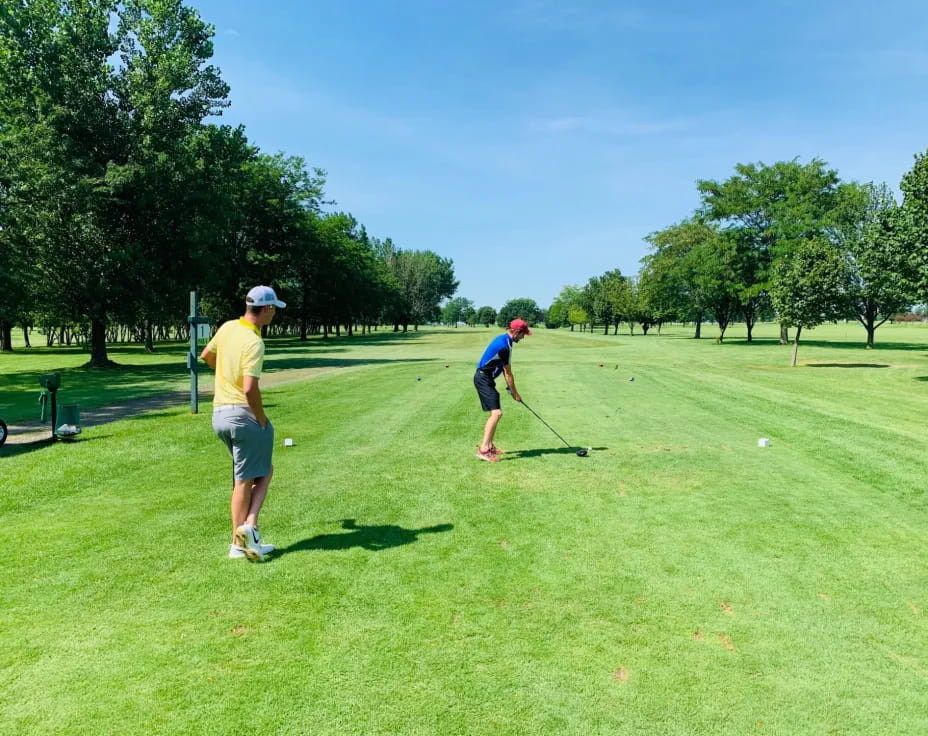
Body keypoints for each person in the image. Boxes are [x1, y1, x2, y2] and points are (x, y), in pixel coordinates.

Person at [200, 285, 285, 560]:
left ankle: (250, 535)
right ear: (268, 308)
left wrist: (226, 371)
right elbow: (250, 389)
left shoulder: (227, 328)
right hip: (243, 415)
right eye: (274, 310)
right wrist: (261, 419)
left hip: (220, 415)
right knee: (247, 479)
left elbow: (206, 356)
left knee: (254, 473)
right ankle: (241, 537)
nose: (275, 315)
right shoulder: (254, 342)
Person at [473, 318, 531, 462]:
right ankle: (484, 449)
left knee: (496, 413)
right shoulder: (505, 346)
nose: (523, 337)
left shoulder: (505, 340)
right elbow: (508, 372)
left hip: (486, 379)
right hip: (483, 379)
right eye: (523, 334)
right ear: (517, 332)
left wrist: (510, 389)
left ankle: (490, 446)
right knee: (497, 414)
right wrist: (515, 394)